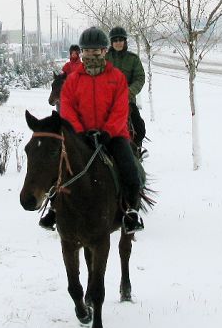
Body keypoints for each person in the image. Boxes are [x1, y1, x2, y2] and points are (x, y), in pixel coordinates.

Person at [39, 26, 144, 234]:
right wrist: (79, 131)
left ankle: (131, 211)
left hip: (112, 136)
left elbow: (120, 108)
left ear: (104, 51)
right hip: (81, 136)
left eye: (95, 51)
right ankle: (54, 208)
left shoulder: (117, 78)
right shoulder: (73, 80)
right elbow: (67, 109)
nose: (90, 55)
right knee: (57, 165)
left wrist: (107, 131)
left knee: (130, 169)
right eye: (86, 51)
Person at [105, 26, 147, 149]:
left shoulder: (133, 59)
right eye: (115, 40)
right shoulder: (104, 59)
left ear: (125, 41)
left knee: (139, 128)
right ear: (112, 43)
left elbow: (140, 78)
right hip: (106, 102)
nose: (118, 43)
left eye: (120, 40)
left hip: (127, 101)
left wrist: (129, 91)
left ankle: (138, 149)